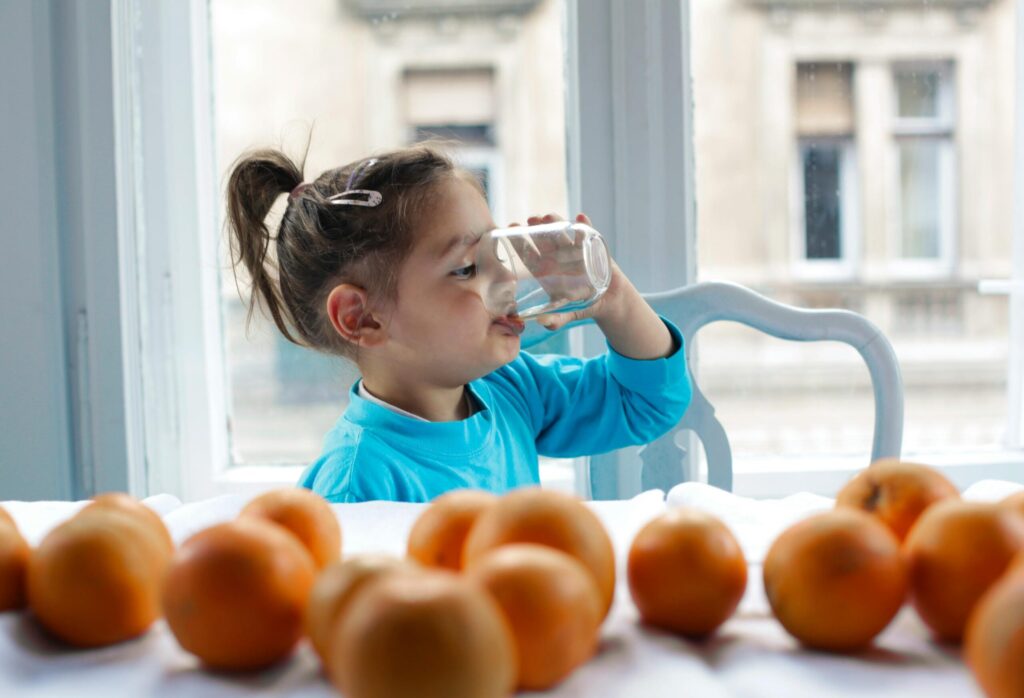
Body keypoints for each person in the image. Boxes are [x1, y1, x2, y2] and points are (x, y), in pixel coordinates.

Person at [225, 142, 692, 503]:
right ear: (362, 317)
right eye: (468, 267)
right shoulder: (358, 483)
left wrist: (615, 298)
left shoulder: (508, 387)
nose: (507, 276)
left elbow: (648, 402)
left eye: (498, 250)